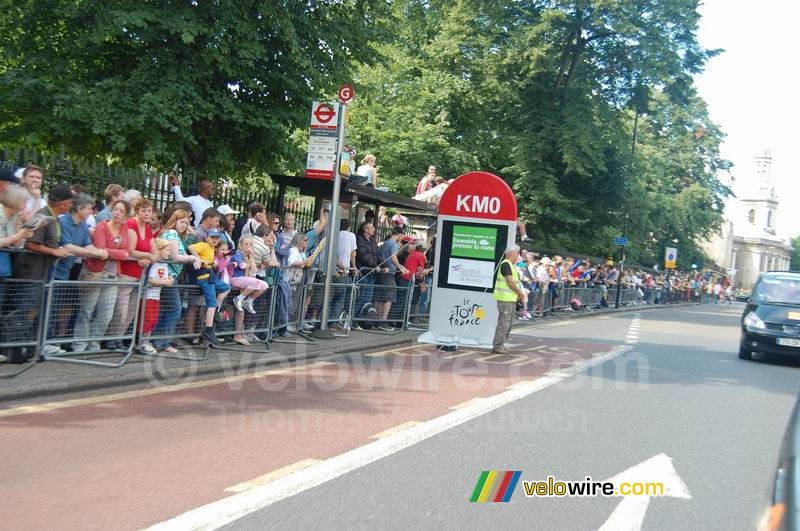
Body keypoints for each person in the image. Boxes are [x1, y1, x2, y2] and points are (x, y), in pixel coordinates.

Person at [72, 199, 131, 352]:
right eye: (116, 209)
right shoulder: (101, 227)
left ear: (125, 216)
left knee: (106, 314)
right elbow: (100, 250)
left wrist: (113, 253)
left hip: (112, 275)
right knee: (87, 310)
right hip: (95, 273)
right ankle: (79, 344)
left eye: (121, 211)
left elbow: (126, 253)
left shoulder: (124, 228)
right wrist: (118, 253)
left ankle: (94, 342)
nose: (117, 213)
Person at [106, 197, 156, 349]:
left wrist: (148, 259)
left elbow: (156, 253)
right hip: (125, 273)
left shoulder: (147, 228)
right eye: (144, 210)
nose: (147, 214)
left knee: (131, 312)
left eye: (149, 210)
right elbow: (131, 250)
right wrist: (148, 256)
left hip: (139, 274)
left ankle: (119, 339)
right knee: (121, 310)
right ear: (137, 211)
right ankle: (110, 339)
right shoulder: (131, 224)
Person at [151, 209, 201, 353]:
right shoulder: (172, 233)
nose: (184, 225)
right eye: (182, 222)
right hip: (168, 276)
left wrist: (195, 257)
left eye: (186, 223)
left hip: (170, 276)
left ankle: (158, 340)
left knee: (166, 308)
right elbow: (175, 257)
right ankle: (164, 341)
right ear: (175, 221)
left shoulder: (177, 236)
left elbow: (183, 254)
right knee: (175, 308)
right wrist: (193, 258)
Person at [188, 228, 231, 346]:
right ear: (207, 238)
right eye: (213, 237)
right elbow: (191, 247)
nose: (215, 240)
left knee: (226, 287)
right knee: (211, 304)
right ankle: (209, 330)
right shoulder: (204, 245)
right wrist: (197, 258)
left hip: (211, 277)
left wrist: (213, 263)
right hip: (205, 278)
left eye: (217, 238)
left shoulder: (212, 249)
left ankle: (216, 310)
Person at [229, 236, 269, 345]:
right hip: (234, 280)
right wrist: (248, 260)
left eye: (251, 244)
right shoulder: (238, 254)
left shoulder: (248, 256)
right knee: (254, 283)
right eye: (246, 244)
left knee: (264, 284)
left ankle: (247, 301)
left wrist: (251, 257)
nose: (249, 246)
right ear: (241, 245)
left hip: (244, 284)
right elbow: (242, 266)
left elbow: (255, 270)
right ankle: (239, 299)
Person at [139, 239, 174, 355]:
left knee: (153, 319)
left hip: (156, 296)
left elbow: (167, 276)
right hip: (148, 295)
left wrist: (170, 279)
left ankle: (146, 341)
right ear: (159, 250)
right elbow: (149, 279)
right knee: (147, 319)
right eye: (167, 250)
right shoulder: (153, 264)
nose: (169, 253)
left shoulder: (164, 264)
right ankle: (142, 342)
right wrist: (164, 283)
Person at [492, 245, 526, 354]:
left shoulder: (510, 265)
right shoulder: (506, 264)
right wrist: (520, 293)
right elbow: (510, 282)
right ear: (512, 253)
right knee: (504, 322)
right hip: (504, 299)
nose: (518, 256)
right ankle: (497, 345)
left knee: (508, 322)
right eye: (517, 253)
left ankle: (501, 343)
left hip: (510, 299)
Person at [374, 226, 409, 330]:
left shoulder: (385, 243)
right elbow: (393, 258)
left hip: (382, 273)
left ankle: (378, 321)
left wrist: (400, 266)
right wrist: (400, 268)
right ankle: (383, 322)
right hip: (389, 274)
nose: (401, 239)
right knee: (389, 299)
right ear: (399, 235)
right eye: (401, 236)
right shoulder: (393, 244)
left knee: (381, 298)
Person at [354, 222, 379, 322]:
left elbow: (377, 256)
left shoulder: (373, 241)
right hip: (364, 273)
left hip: (372, 274)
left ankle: (363, 319)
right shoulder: (359, 239)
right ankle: (354, 320)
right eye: (371, 228)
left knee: (368, 299)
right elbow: (363, 255)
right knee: (360, 297)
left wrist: (383, 266)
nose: (374, 229)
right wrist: (374, 265)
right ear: (366, 230)